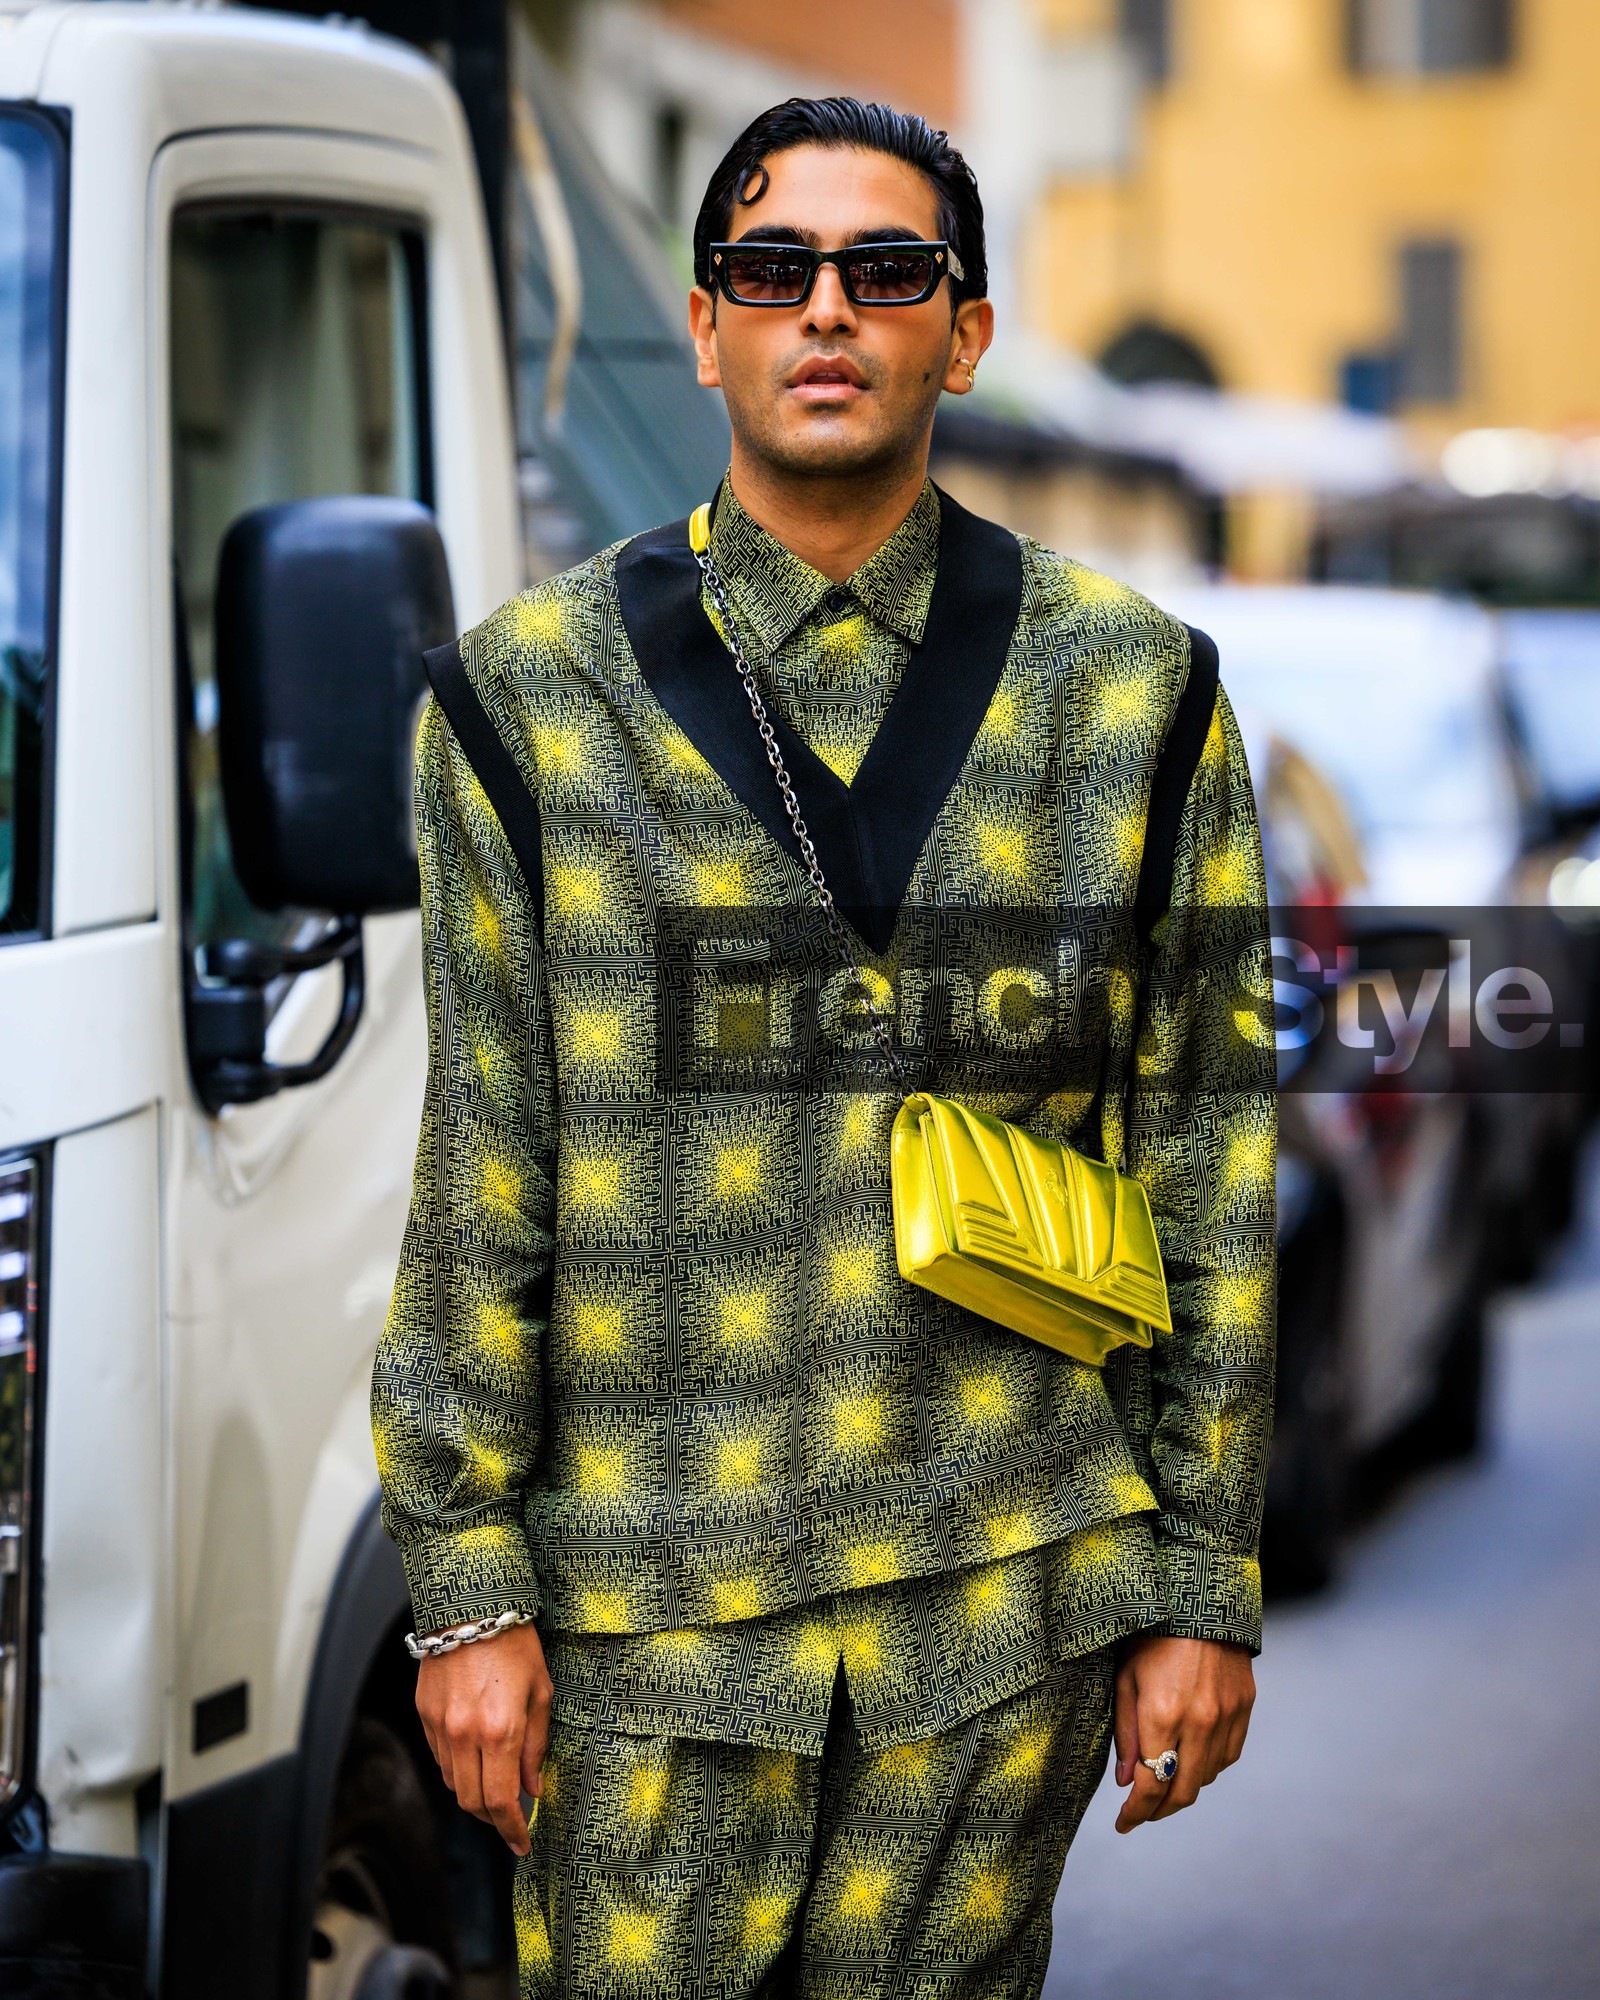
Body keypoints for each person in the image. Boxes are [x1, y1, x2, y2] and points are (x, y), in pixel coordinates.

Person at [372, 95, 1276, 1999]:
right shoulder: (524, 704)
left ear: (966, 330)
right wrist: (464, 1595)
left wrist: (1205, 1586)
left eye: (889, 272)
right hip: (649, 1622)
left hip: (1005, 1599)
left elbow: (1207, 1160)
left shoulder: (1137, 697)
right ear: (705, 326)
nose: (828, 312)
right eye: (774, 270)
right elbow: (482, 1170)